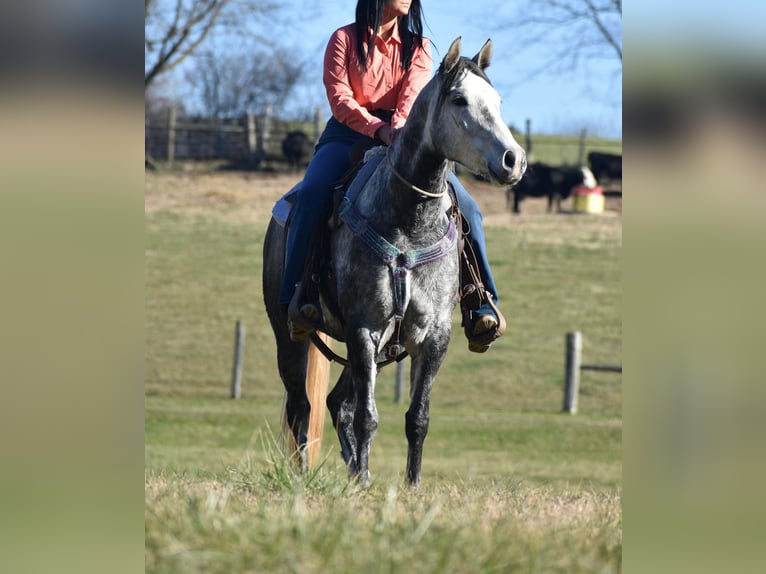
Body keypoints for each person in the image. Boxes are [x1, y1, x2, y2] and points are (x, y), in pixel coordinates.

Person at [281, 0, 502, 351]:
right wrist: (377, 130)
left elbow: (410, 98)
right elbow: (340, 98)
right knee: (311, 194)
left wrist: (397, 132)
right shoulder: (343, 39)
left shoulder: (419, 48)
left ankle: (480, 302)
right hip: (347, 133)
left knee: (469, 208)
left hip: (404, 139)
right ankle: (295, 295)